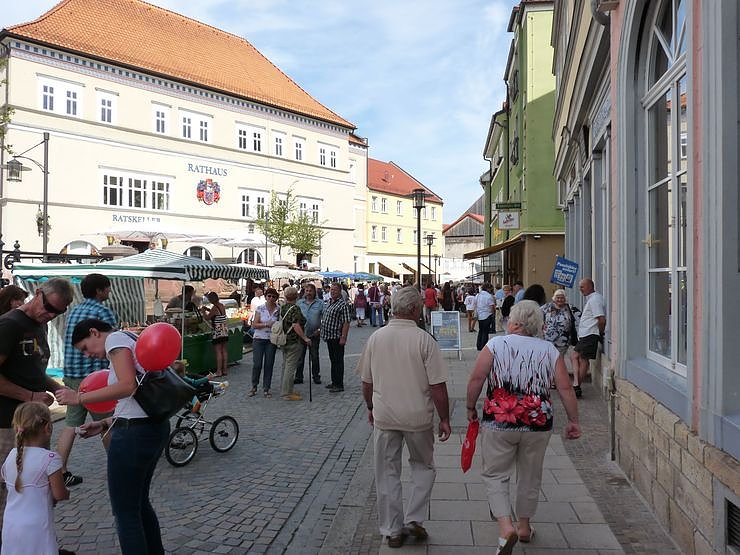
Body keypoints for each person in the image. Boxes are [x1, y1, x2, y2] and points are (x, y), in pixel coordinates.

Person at [466, 301, 581, 555]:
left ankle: (506, 527)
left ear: (515, 322)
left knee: (495, 474)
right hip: (537, 422)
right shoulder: (549, 350)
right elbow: (565, 387)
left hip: (499, 420)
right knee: (530, 474)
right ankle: (524, 527)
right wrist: (573, 420)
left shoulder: (495, 344)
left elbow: (477, 378)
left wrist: (470, 407)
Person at [55, 319, 170, 555]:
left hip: (132, 436)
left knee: (125, 513)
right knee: (139, 504)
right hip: (152, 427)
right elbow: (136, 399)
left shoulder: (115, 340)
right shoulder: (130, 338)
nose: (87, 355)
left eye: (85, 348)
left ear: (94, 332)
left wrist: (79, 398)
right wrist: (105, 422)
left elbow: (128, 386)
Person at [358, 286, 451, 548]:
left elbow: (366, 382)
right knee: (424, 466)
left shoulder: (376, 338)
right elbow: (437, 386)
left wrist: (370, 407)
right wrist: (444, 418)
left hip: (385, 415)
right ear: (413, 309)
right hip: (417, 416)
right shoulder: (424, 340)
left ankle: (392, 529)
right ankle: (414, 518)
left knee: (386, 471)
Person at [0, 278, 73, 533]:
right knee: (10, 491)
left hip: (33, 423)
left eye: (58, 312)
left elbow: (33, 370)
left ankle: (38, 543)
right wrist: (30, 396)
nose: (50, 315)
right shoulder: (9, 325)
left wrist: (56, 387)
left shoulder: (39, 325)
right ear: (38, 292)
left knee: (37, 487)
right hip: (7, 423)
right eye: (49, 307)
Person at [57, 273, 118, 488]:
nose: (109, 291)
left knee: (70, 424)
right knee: (106, 423)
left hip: (72, 374)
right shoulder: (103, 312)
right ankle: (118, 466)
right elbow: (113, 344)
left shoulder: (73, 310)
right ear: (100, 290)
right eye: (107, 288)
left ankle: (60, 471)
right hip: (95, 377)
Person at [1, 402, 69, 555]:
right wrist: (67, 492)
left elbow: (5, 479)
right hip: (37, 527)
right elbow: (59, 494)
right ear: (48, 428)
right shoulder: (50, 458)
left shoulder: (12, 455)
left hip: (10, 525)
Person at [571, 278, 606, 398]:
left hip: (590, 334)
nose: (580, 289)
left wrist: (600, 333)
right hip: (586, 334)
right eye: (580, 287)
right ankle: (576, 384)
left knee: (581, 358)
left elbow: (601, 319)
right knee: (576, 357)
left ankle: (577, 385)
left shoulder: (595, 299)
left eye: (582, 287)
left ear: (590, 286)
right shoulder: (591, 299)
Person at [278, 287, 312, 401]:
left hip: (284, 340)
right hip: (294, 340)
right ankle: (286, 393)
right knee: (290, 367)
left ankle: (286, 389)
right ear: (296, 296)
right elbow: (295, 325)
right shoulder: (295, 308)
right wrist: (305, 338)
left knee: (285, 365)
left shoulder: (283, 307)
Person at [249, 288, 280, 398]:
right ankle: (254, 386)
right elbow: (254, 325)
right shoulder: (260, 308)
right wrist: (266, 324)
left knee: (269, 364)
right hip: (259, 338)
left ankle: (266, 388)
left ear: (276, 298)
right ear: (266, 297)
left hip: (271, 340)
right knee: (257, 364)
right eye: (269, 296)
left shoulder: (278, 309)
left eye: (273, 296)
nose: (271, 298)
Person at [321, 283, 351, 393]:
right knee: (333, 360)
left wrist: (343, 337)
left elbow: (346, 322)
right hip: (329, 336)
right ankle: (334, 382)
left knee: (338, 361)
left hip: (337, 336)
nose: (332, 292)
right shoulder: (330, 302)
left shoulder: (343, 304)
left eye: (335, 290)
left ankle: (339, 384)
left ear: (340, 291)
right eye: (331, 290)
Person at [295, 283, 323, 385]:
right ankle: (298, 376)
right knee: (300, 357)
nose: (309, 293)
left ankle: (316, 376)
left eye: (311, 291)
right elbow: (296, 318)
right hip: (301, 334)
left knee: (314, 356)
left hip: (314, 334)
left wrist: (319, 329)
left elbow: (324, 318)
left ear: (314, 292)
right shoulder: (299, 303)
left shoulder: (320, 303)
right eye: (307, 291)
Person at [542, 289, 581, 356]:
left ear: (565, 298)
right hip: (548, 340)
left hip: (564, 342)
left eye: (562, 298)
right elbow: (537, 315)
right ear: (554, 298)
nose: (560, 300)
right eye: (558, 298)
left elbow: (580, 318)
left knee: (561, 358)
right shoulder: (547, 307)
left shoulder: (570, 308)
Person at [201, 292, 229, 377]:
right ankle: (225, 370)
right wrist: (208, 309)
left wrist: (203, 312)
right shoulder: (221, 305)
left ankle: (219, 371)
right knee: (224, 350)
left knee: (218, 351)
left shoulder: (214, 307)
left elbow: (207, 318)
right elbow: (217, 313)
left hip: (218, 331)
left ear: (211, 299)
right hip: (224, 330)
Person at [475, 283, 496, 351]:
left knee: (481, 330)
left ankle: (479, 345)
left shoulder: (478, 295)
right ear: (488, 288)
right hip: (487, 314)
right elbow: (492, 306)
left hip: (480, 315)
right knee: (485, 332)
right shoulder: (489, 296)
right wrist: (493, 314)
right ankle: (483, 346)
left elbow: (475, 304)